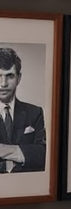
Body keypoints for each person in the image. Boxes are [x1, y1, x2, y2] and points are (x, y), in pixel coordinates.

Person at [0, 46, 46, 174]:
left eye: (10, 76)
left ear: (19, 78)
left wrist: (3, 150)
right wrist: (22, 153)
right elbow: (33, 154)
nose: (3, 83)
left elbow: (43, 154)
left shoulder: (35, 112)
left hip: (27, 186)